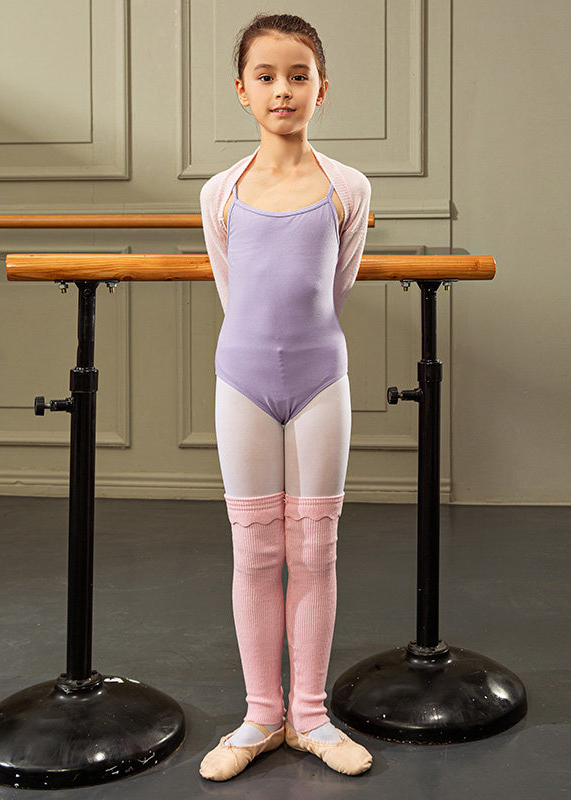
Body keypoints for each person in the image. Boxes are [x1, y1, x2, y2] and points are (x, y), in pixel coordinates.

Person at [197, 12, 372, 781]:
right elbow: (233, 292)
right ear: (242, 90)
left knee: (314, 549)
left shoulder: (348, 188)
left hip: (319, 379)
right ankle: (261, 716)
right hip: (241, 380)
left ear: (320, 89)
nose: (283, 90)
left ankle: (311, 717)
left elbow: (335, 290)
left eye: (299, 76)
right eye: (266, 76)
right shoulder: (220, 193)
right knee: (257, 550)